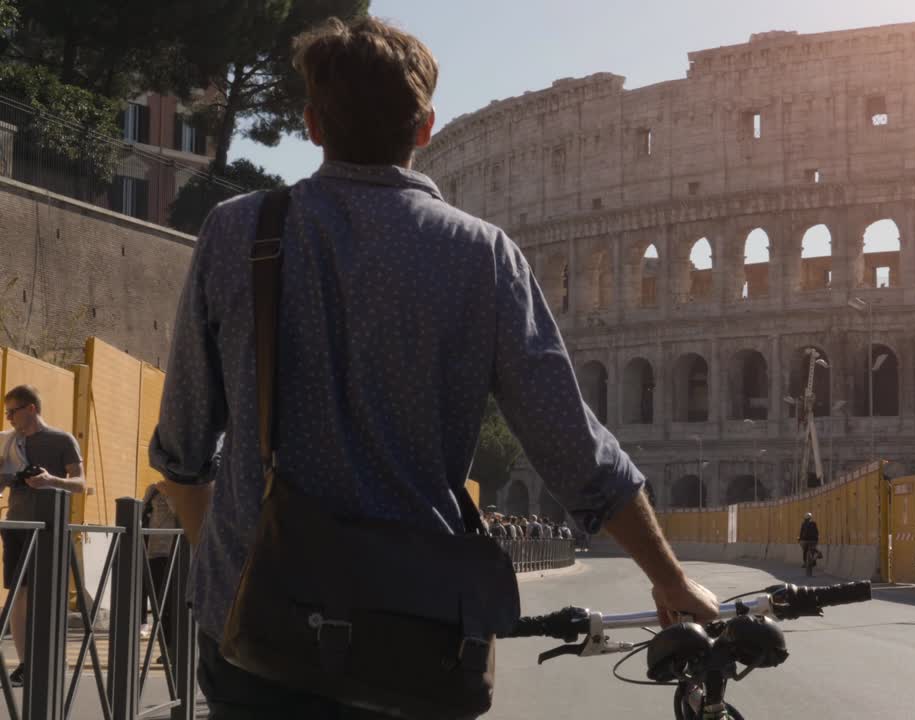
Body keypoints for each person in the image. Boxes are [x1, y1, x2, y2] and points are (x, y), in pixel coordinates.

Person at [148, 17, 718, 717]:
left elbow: (181, 447)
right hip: (417, 634)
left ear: (312, 124)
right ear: (424, 130)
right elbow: (569, 444)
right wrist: (669, 579)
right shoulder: (483, 256)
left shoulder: (238, 232)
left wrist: (232, 563)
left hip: (262, 636)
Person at [1, 385, 86, 687]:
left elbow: (81, 483)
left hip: (50, 528)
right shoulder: (8, 443)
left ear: (31, 409)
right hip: (16, 526)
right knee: (18, 595)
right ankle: (25, 663)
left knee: (48, 595)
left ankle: (52, 657)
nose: (8, 417)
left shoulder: (61, 440)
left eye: (12, 411)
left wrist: (51, 480)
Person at [141, 482, 181, 662]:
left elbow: (181, 514)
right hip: (152, 552)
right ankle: (167, 650)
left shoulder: (186, 488)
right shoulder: (153, 489)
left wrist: (170, 495)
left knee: (171, 605)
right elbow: (142, 514)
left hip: (171, 553)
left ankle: (175, 650)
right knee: (160, 605)